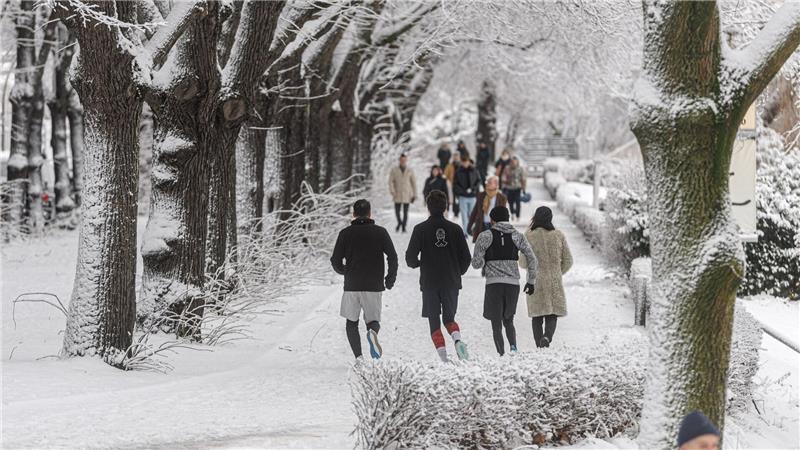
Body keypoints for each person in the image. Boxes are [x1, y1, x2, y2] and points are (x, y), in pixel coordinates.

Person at [406, 190, 472, 362]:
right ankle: (457, 339)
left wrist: (421, 264)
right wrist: (457, 272)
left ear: (428, 207)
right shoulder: (456, 229)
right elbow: (466, 258)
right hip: (451, 281)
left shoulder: (420, 229)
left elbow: (410, 259)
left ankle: (444, 358)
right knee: (449, 318)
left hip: (429, 281)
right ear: (445, 207)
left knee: (434, 320)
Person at [330, 199, 398, 360]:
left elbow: (335, 260)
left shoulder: (345, 234)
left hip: (352, 285)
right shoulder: (380, 232)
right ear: (370, 214)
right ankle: (372, 333)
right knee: (372, 320)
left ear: (353, 214)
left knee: (351, 322)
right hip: (374, 285)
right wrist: (390, 279)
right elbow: (393, 257)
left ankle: (359, 358)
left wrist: (345, 271)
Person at [471, 206, 538, 356]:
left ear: (492, 220)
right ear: (508, 219)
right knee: (508, 320)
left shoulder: (485, 236)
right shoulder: (518, 236)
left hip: (493, 284)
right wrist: (531, 280)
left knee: (496, 323)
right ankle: (513, 348)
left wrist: (484, 259)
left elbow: (476, 264)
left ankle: (501, 355)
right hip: (512, 284)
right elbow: (532, 258)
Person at [520, 206, 572, 347]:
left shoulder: (528, 236)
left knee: (536, 315)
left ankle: (539, 344)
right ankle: (547, 337)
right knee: (552, 313)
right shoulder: (558, 235)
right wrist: (557, 271)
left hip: (535, 280)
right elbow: (568, 260)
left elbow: (523, 262)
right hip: (553, 280)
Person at [467, 175, 507, 242]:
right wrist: (469, 226)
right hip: (482, 225)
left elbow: (503, 215)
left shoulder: (502, 198)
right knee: (482, 247)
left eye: (490, 182)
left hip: (495, 226)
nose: (487, 183)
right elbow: (475, 211)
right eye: (487, 182)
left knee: (493, 247)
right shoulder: (481, 195)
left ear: (496, 184)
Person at [452, 156, 481, 236]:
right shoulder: (458, 171)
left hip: (472, 196)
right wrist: (462, 191)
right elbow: (455, 184)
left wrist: (473, 189)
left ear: (469, 162)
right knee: (464, 216)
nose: (465, 164)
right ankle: (465, 232)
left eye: (466, 162)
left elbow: (478, 181)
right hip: (462, 197)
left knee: (472, 215)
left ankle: (472, 230)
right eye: (463, 162)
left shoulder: (474, 170)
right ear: (461, 162)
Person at [388, 153, 417, 232]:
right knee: (397, 212)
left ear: (406, 160)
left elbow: (413, 183)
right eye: (401, 160)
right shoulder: (394, 170)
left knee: (405, 212)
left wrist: (415, 194)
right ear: (399, 160)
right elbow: (390, 181)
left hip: (407, 194)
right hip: (397, 193)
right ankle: (399, 223)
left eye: (404, 160)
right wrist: (392, 191)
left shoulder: (410, 170)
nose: (403, 161)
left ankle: (404, 226)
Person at [502, 157, 526, 221]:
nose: (513, 163)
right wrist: (506, 181)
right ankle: (512, 213)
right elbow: (503, 177)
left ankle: (518, 216)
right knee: (510, 202)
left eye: (515, 162)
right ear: (510, 162)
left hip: (517, 188)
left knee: (518, 202)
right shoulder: (507, 168)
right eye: (512, 162)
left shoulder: (520, 169)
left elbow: (523, 179)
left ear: (517, 162)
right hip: (509, 188)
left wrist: (523, 188)